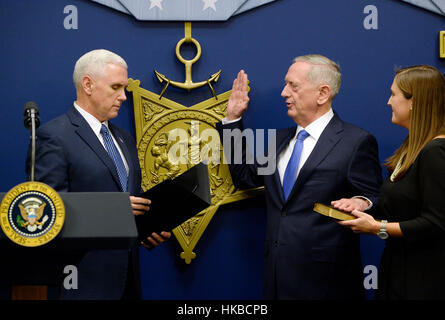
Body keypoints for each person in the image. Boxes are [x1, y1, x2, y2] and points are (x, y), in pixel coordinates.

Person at [216, 54, 382, 300]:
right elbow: (245, 178)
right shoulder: (279, 140)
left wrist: (361, 201)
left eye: (293, 86)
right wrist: (232, 120)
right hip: (276, 278)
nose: (284, 93)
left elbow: (374, 196)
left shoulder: (355, 141)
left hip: (327, 284)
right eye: (285, 85)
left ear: (322, 94)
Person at [26, 49, 171, 300]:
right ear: (88, 85)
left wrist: (145, 229)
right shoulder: (54, 137)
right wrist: (112, 209)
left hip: (129, 282)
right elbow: (45, 213)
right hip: (82, 282)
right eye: (116, 87)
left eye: (124, 88)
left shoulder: (124, 138)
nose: (123, 97)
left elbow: (127, 203)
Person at [335, 65, 445, 300]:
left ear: (413, 101)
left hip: (425, 282)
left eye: (394, 94)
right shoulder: (410, 149)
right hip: (397, 273)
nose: (388, 101)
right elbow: (401, 213)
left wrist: (377, 228)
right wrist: (362, 206)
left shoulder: (435, 151)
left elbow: (436, 223)